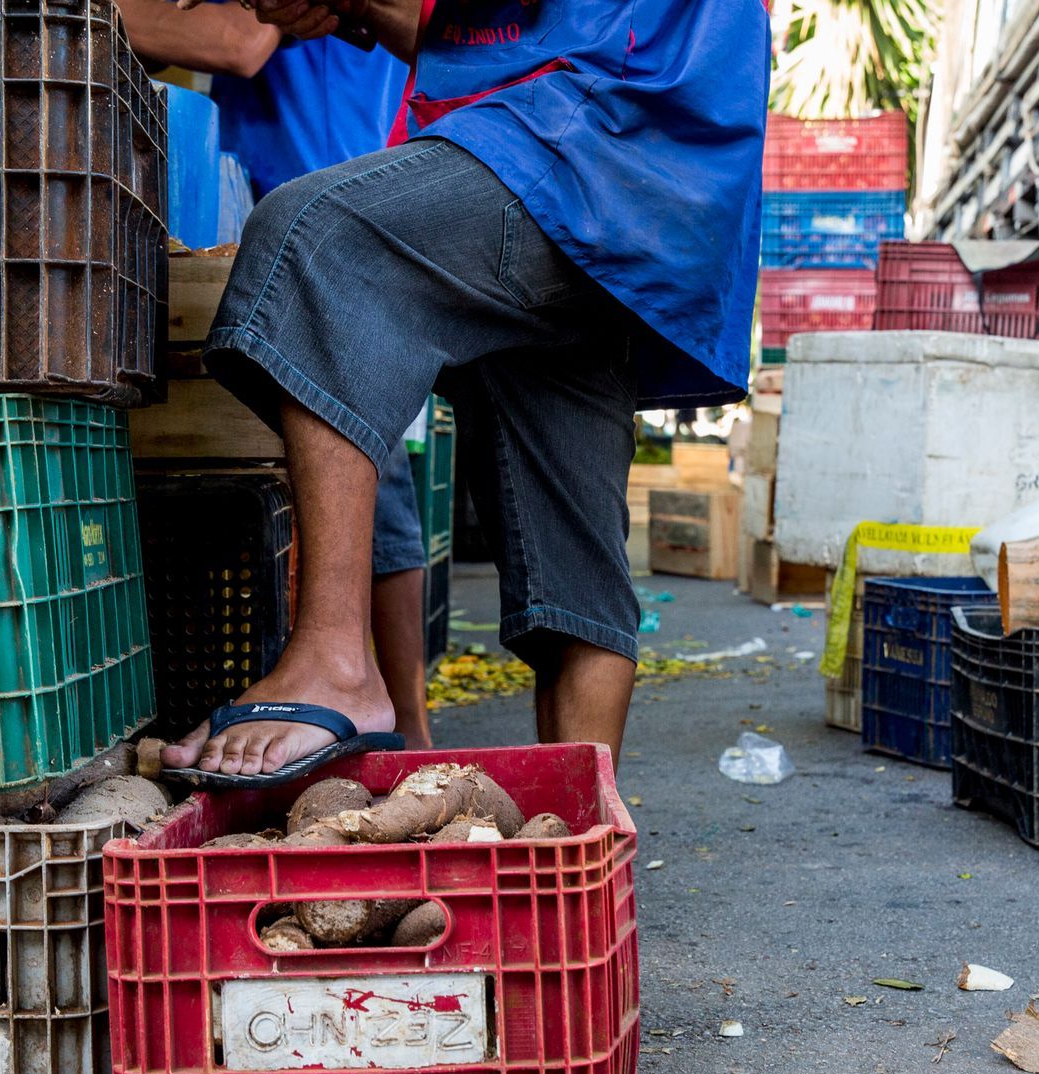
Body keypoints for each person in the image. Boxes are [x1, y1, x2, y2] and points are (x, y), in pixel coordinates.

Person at [164, 0, 766, 783]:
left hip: (591, 126)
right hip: (628, 175)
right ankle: (577, 850)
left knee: (316, 239)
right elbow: (473, 31)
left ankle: (337, 663)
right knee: (572, 559)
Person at [117, 0, 435, 751]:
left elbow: (235, 39)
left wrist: (60, 14)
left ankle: (401, 723)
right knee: (347, 462)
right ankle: (372, 703)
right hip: (271, 214)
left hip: (338, 204)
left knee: (366, 460)